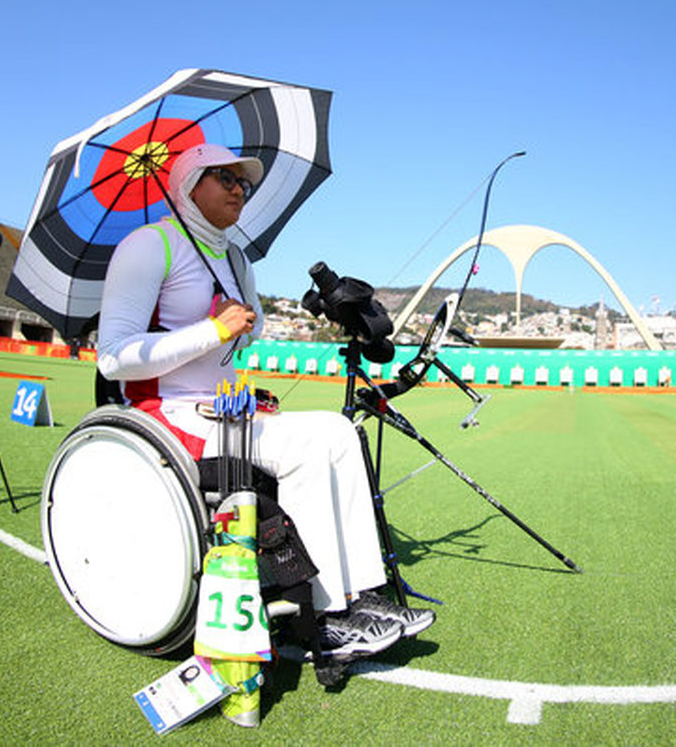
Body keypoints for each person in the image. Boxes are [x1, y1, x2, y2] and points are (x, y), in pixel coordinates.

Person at [97, 143, 433, 659]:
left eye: (243, 183)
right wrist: (211, 328)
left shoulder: (234, 257)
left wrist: (247, 321)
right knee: (304, 447)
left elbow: (244, 334)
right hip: (168, 413)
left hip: (227, 407)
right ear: (188, 184)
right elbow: (114, 358)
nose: (239, 190)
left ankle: (363, 594)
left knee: (338, 431)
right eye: (226, 179)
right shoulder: (148, 247)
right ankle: (323, 615)